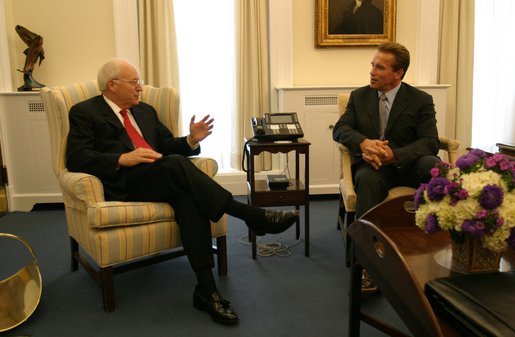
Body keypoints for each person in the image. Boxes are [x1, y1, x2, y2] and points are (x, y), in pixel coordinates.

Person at [66, 58, 299, 325]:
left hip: (160, 176)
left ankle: (206, 290)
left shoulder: (145, 111)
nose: (140, 88)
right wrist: (122, 159)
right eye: (134, 82)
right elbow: (76, 157)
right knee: (177, 167)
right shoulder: (85, 112)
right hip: (124, 182)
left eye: (139, 83)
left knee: (189, 198)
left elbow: (166, 145)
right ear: (111, 85)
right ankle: (249, 214)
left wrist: (190, 140)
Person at [332, 42, 440, 291]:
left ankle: (435, 249)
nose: (372, 71)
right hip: (374, 168)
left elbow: (430, 141)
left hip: (408, 164)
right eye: (372, 65)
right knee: (367, 181)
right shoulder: (359, 97)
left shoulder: (421, 100)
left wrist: (395, 154)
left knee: (434, 166)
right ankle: (367, 264)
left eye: (379, 67)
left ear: (398, 73)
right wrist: (365, 143)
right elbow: (341, 129)